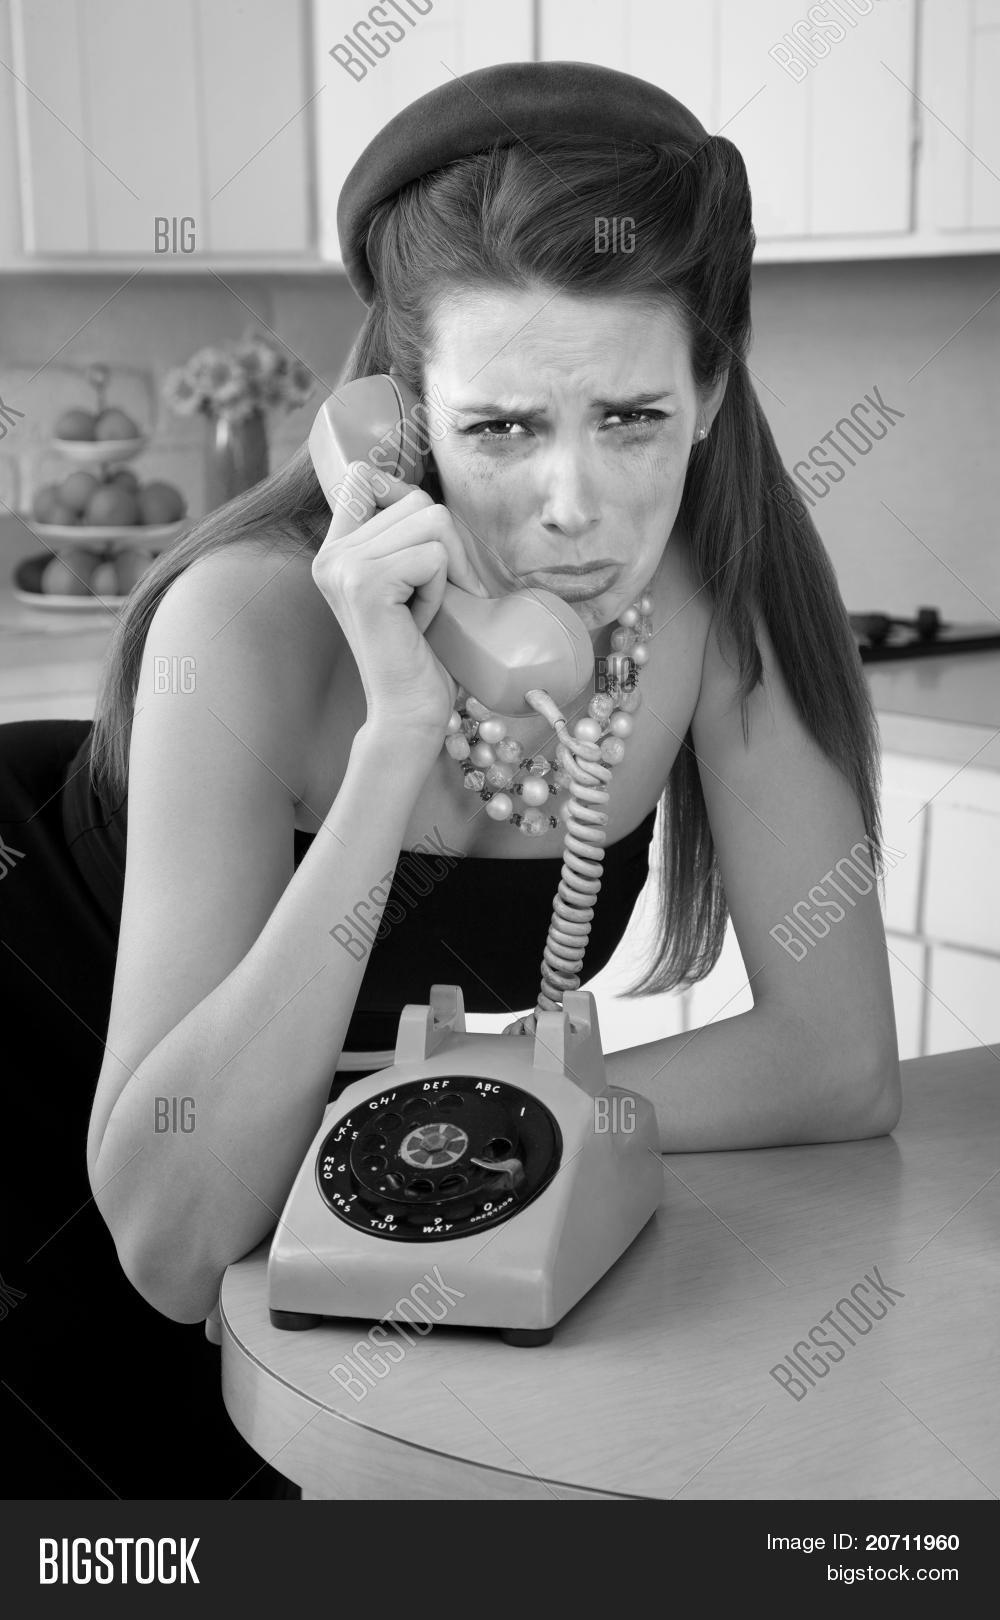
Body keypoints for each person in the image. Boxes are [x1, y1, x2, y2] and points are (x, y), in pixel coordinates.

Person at [0, 61, 900, 1500]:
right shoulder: (241, 624)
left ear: (712, 394)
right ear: (400, 422)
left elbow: (839, 1060)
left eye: (631, 418)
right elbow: (170, 1248)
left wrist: (459, 1120)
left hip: (338, 1175)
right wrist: (398, 735)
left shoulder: (712, 612)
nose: (574, 509)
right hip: (67, 1105)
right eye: (501, 428)